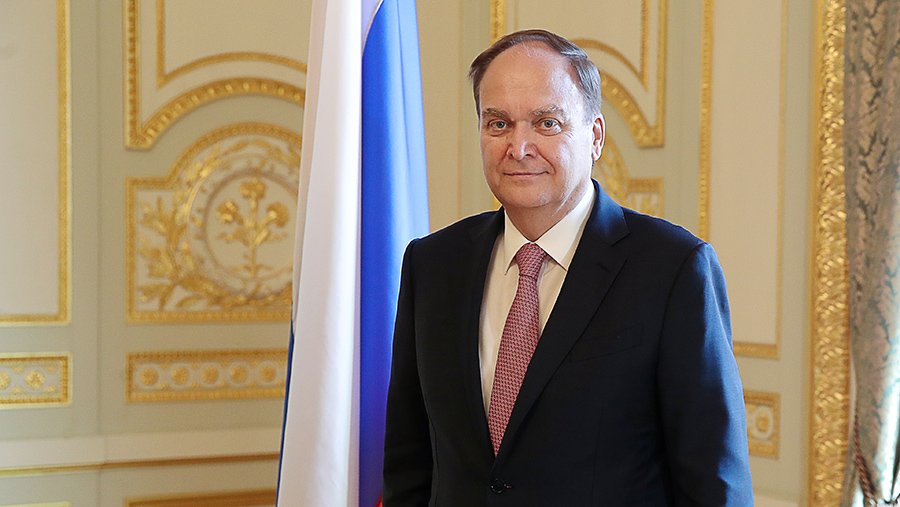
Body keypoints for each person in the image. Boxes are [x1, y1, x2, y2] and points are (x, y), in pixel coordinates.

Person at [383, 29, 753, 506]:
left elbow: (713, 483)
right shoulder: (433, 264)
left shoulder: (673, 269)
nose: (518, 147)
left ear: (594, 136)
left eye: (546, 123)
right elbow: (409, 464)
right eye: (498, 123)